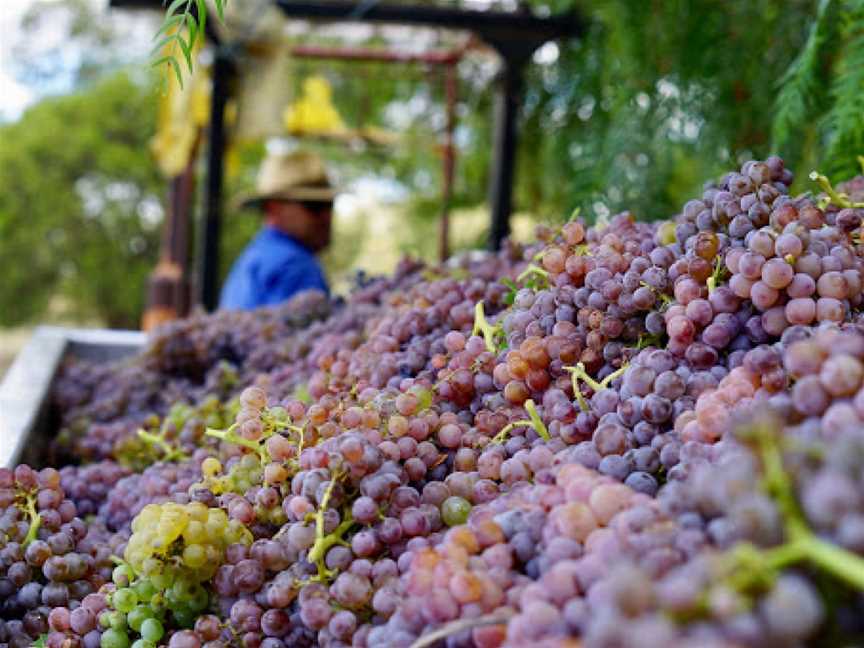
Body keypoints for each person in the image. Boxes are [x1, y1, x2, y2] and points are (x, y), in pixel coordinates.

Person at [219, 150, 335, 310]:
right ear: (274, 208)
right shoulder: (295, 265)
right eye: (314, 206)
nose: (327, 216)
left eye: (330, 205)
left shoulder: (255, 255)